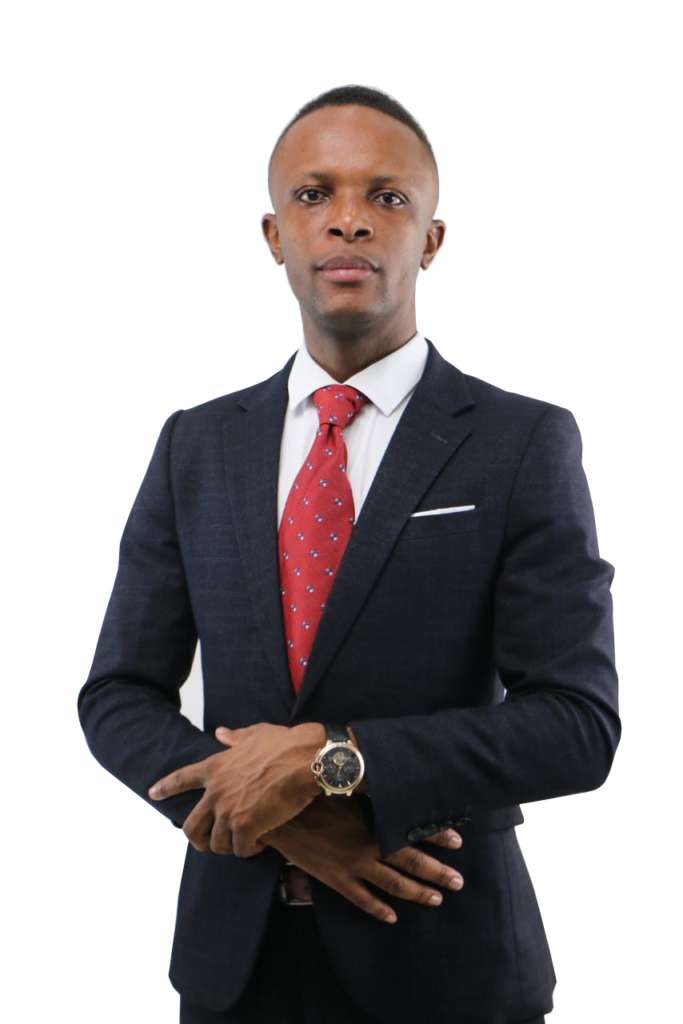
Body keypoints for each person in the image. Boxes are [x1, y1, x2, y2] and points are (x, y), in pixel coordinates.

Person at [77, 83, 620, 1023]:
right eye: (313, 193)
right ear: (273, 235)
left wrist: (332, 763)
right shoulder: (194, 443)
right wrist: (274, 823)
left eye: (387, 197)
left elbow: (577, 725)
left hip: (444, 959)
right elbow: (116, 695)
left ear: (431, 240)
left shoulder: (521, 440)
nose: (350, 221)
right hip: (233, 964)